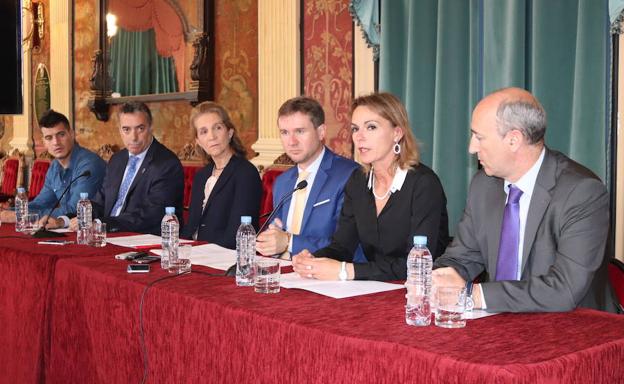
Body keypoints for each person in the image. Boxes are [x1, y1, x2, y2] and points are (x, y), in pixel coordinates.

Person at [432, 87, 617, 313]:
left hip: (574, 330)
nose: (472, 148)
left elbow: (564, 289)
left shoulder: (581, 192)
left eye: (479, 137)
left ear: (513, 140)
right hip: (501, 324)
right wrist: (439, 278)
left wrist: (474, 295)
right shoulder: (484, 185)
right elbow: (461, 257)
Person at [292, 92, 450, 281]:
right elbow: (342, 247)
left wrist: (346, 271)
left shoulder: (424, 184)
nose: (359, 137)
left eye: (371, 127)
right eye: (355, 129)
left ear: (397, 133)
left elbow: (415, 263)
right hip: (374, 291)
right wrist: (313, 258)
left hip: (423, 293)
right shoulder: (357, 181)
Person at [256, 96, 360, 258]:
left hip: (328, 276)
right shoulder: (282, 182)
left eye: (300, 131)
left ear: (321, 132)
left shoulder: (349, 175)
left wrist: (289, 242)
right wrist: (270, 240)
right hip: (284, 273)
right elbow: (276, 234)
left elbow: (347, 245)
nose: (291, 142)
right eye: (284, 132)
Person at [70, 102, 184, 234]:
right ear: (120, 130)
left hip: (142, 239)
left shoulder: (167, 164)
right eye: (126, 129)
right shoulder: (117, 160)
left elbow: (152, 214)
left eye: (140, 129)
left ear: (151, 127)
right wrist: (69, 219)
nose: (133, 137)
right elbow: (101, 202)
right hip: (106, 234)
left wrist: (101, 223)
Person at [0, 109, 106, 228]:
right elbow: (40, 203)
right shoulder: (54, 166)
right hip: (69, 229)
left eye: (61, 135)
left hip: (95, 232)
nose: (56, 142)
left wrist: (21, 216)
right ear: (44, 142)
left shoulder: (89, 165)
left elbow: (75, 210)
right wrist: (10, 211)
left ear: (71, 134)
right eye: (49, 138)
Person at [180, 101, 262, 249]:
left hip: (224, 256)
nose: (212, 136)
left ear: (229, 133)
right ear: (198, 141)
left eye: (217, 128)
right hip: (194, 253)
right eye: (204, 131)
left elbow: (237, 234)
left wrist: (201, 252)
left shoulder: (245, 173)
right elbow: (191, 227)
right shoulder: (201, 176)